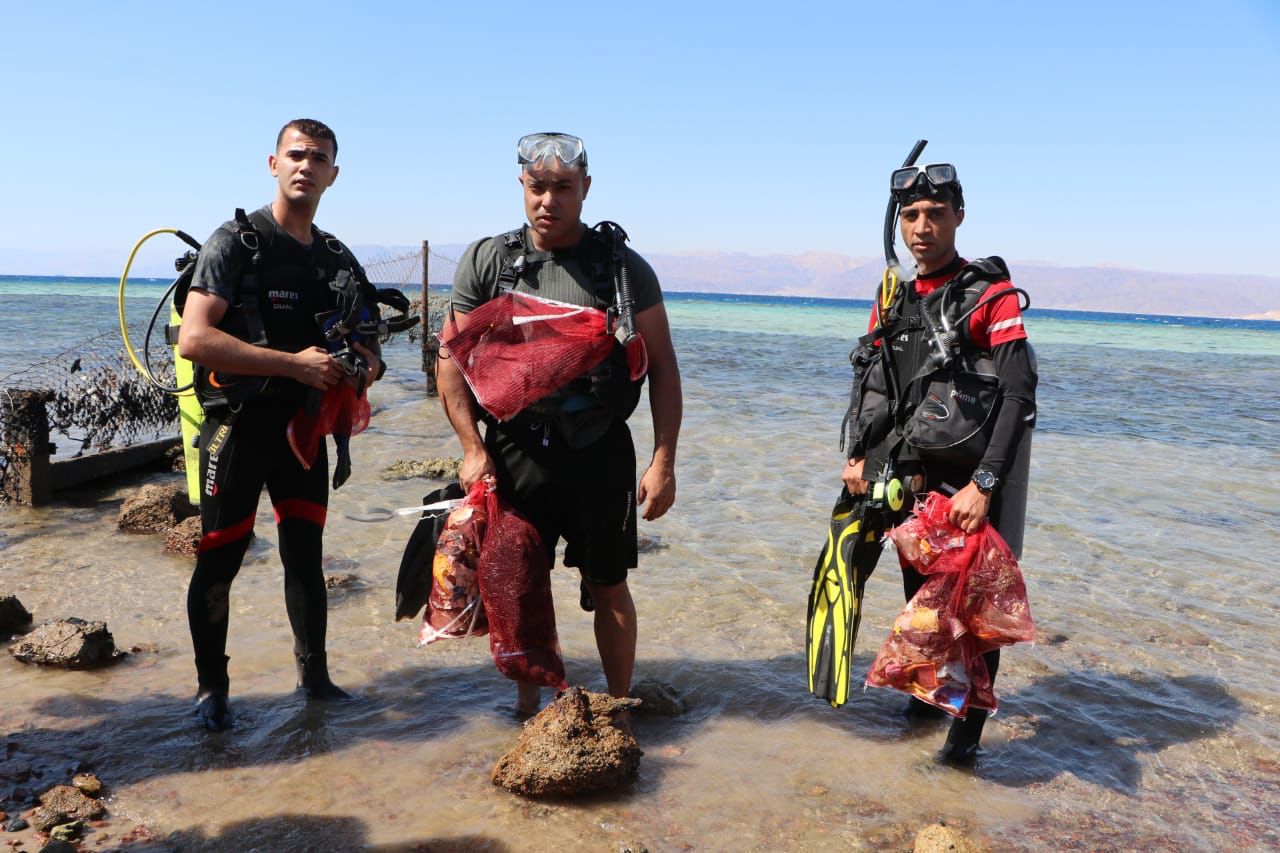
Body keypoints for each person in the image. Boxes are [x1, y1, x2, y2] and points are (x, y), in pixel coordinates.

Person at [437, 132, 683, 716]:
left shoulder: (622, 270)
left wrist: (663, 462)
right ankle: (529, 711)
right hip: (515, 447)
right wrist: (472, 448)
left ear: (586, 189)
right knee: (517, 580)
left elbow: (664, 368)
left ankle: (618, 708)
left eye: (564, 188)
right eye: (537, 187)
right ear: (522, 186)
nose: (549, 200)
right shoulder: (489, 262)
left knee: (608, 583)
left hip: (598, 450)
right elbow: (451, 361)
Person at [177, 119, 383, 731]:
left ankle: (314, 681)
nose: (305, 166)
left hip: (303, 434)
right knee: (220, 559)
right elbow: (194, 339)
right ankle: (212, 689)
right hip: (238, 428)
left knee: (305, 557)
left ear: (333, 175)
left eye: (318, 158)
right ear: (273, 163)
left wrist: (362, 367)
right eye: (296, 154)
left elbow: (371, 348)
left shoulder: (336, 258)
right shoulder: (236, 243)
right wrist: (293, 364)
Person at [841, 160, 1037, 765]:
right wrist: (858, 457)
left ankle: (964, 745)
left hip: (976, 480)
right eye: (910, 215)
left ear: (959, 217)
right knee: (921, 597)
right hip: (911, 474)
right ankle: (927, 707)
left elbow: (1019, 394)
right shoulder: (893, 297)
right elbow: (876, 385)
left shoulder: (990, 297)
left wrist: (984, 484)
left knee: (977, 613)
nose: (921, 227)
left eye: (934, 214)